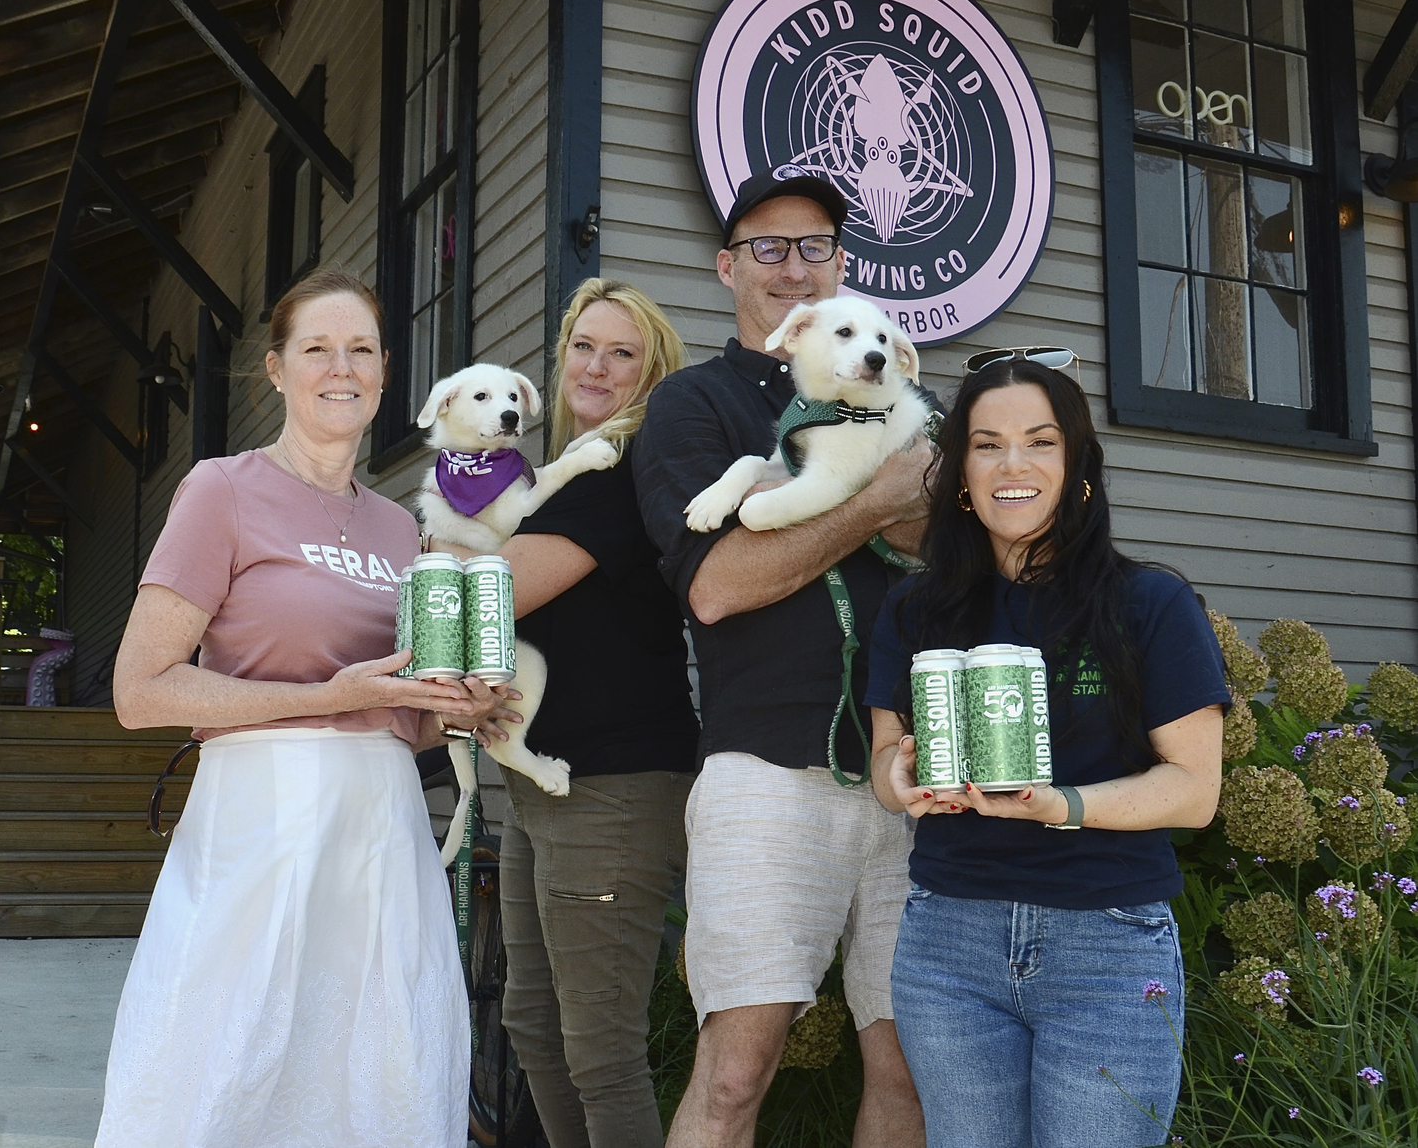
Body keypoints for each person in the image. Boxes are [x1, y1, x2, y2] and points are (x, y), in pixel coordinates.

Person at [96, 266, 516, 1148]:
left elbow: (403, 709)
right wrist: (328, 696)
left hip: (382, 826)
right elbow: (140, 690)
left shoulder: (403, 532)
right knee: (224, 1062)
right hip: (259, 822)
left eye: (361, 350)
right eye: (317, 349)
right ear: (278, 370)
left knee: (378, 1066)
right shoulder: (223, 489)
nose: (342, 368)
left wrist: (460, 706)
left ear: (386, 373)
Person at [632, 166, 933, 1148]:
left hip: (914, 765)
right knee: (736, 1073)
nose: (793, 268)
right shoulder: (694, 406)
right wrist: (882, 500)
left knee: (911, 1066)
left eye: (813, 248)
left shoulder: (898, 391)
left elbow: (954, 554)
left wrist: (923, 499)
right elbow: (717, 586)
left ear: (842, 265)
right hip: (766, 770)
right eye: (768, 248)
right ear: (728, 268)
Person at [865, 353, 1227, 1148]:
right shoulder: (916, 608)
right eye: (987, 444)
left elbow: (1196, 790)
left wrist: (1063, 806)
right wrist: (899, 779)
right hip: (949, 944)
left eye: (1040, 441)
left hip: (1107, 940)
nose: (1013, 465)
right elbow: (887, 761)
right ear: (961, 470)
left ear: (1079, 466)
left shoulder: (1150, 602)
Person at [428, 278, 700, 1148]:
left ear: (651, 375)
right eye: (584, 345)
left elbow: (488, 593)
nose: (597, 365)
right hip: (545, 781)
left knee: (599, 1053)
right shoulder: (547, 481)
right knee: (531, 1028)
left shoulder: (622, 471)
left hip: (615, 786)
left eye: (623, 353)